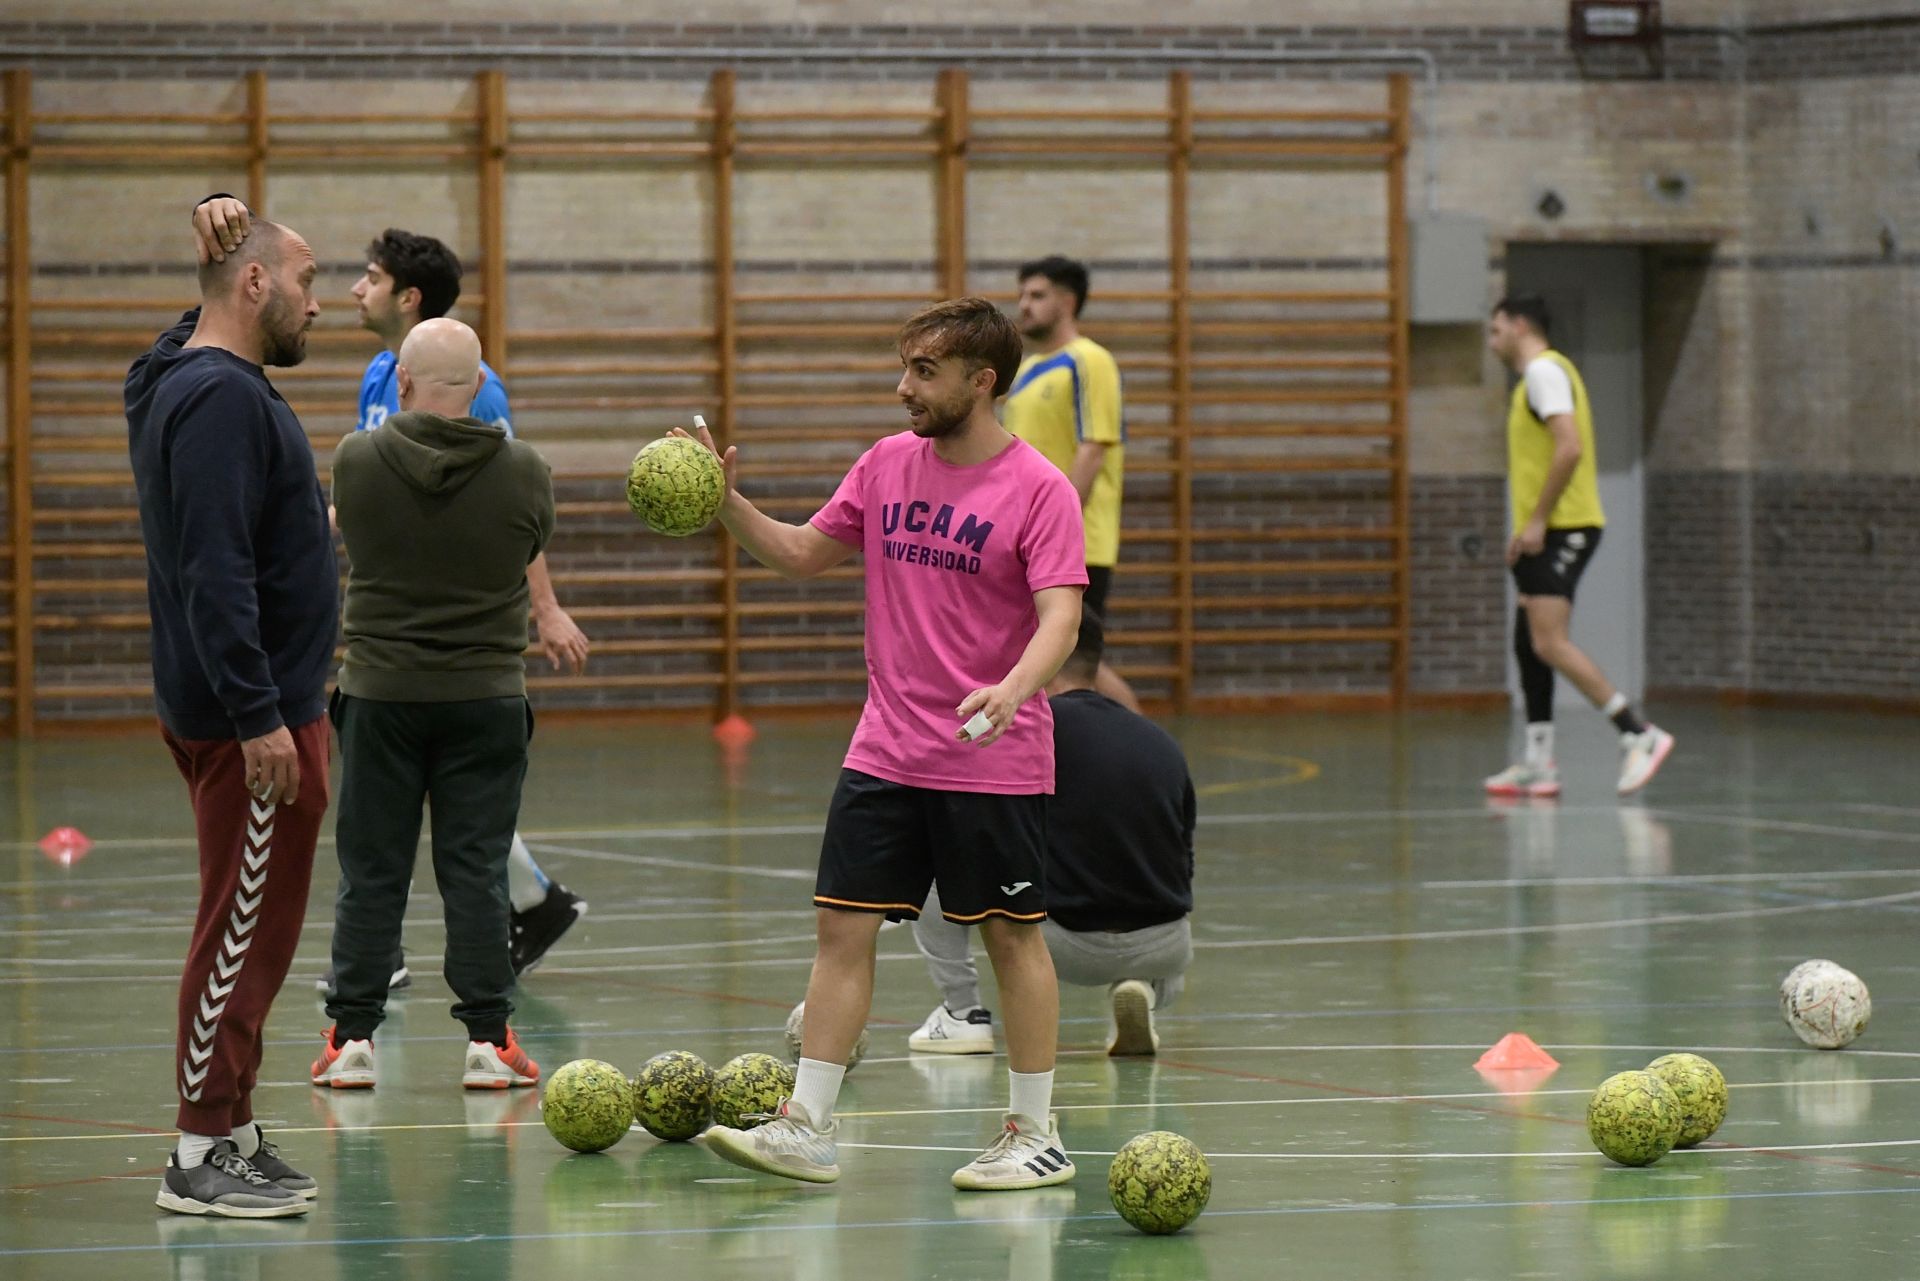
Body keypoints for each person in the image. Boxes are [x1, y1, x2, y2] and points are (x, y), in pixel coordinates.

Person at [693, 298, 1086, 1189]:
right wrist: (725, 500)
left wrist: (1014, 687)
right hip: (885, 749)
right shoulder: (884, 466)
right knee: (842, 927)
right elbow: (798, 553)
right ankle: (806, 1124)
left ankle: (1034, 1132)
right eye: (905, 367)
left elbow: (1063, 614)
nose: (903, 387)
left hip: (993, 752)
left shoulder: (1040, 489)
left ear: (981, 382)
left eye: (924, 371)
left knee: (1011, 938)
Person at [129, 196, 332, 1217]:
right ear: (253, 283)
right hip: (254, 719)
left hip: (265, 708)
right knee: (241, 929)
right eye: (304, 281)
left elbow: (169, 343)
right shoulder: (217, 398)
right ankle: (199, 1151)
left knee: (259, 925)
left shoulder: (175, 373)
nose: (317, 303)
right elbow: (214, 568)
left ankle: (235, 1126)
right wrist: (261, 717)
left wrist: (207, 258)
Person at [339, 226, 587, 988]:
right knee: (425, 810)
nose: (356, 289)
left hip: (460, 638)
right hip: (389, 626)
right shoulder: (379, 376)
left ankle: (512, 932)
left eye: (371, 277)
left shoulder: (482, 391)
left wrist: (544, 609)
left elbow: (506, 508)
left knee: (450, 811)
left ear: (408, 297)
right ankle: (526, 906)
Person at [309, 317, 552, 1092]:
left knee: (371, 870)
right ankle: (489, 1039)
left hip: (380, 693)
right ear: (481, 387)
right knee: (475, 869)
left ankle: (351, 1039)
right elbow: (527, 545)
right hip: (485, 696)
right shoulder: (524, 471)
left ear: (401, 384)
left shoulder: (356, 459)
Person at [910, 608, 1195, 1058]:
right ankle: (1146, 988)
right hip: (1167, 945)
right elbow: (1184, 856)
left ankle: (963, 1014)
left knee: (932, 853)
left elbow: (975, 835)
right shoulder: (1160, 740)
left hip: (1066, 948)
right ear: (1098, 664)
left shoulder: (1024, 733)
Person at [1483, 296, 1675, 799]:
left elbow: (1569, 446)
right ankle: (1538, 762)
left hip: (1565, 526)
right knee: (1528, 640)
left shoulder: (1545, 373)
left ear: (1519, 325)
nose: (1492, 339)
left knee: (1549, 641)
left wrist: (1541, 520)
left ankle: (1638, 733)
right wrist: (1527, 524)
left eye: (1496, 328)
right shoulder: (1536, 379)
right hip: (1545, 528)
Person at [1005, 255, 1139, 712]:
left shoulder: (1089, 361)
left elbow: (1093, 447)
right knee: (1039, 654)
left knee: (1077, 659)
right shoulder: (1024, 373)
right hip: (1024, 540)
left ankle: (1148, 753)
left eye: (1037, 295)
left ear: (1068, 301)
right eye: (1021, 295)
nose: (1024, 305)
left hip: (1076, 541)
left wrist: (1055, 526)